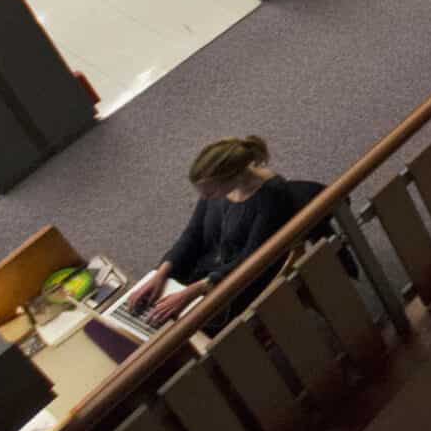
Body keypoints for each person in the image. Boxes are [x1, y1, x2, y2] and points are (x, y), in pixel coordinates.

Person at [124, 137, 325, 331]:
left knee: (174, 336)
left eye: (209, 193)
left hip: (235, 284)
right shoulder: (220, 188)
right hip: (204, 276)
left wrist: (193, 291)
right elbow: (193, 234)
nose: (204, 198)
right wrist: (161, 273)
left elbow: (252, 259)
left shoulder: (271, 197)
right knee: (150, 312)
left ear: (235, 177)